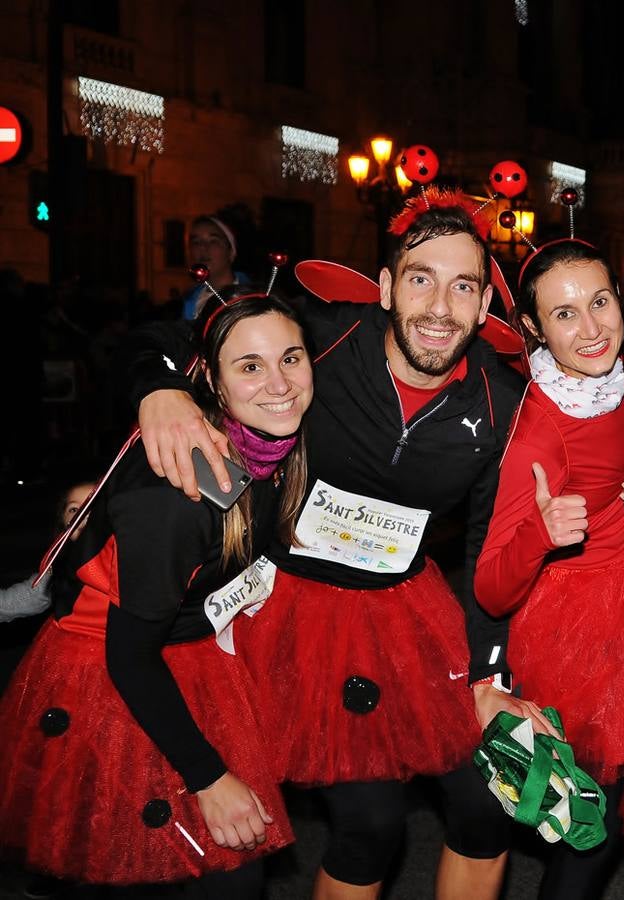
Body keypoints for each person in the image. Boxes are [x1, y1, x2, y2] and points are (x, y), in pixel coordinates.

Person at [127, 193, 523, 900]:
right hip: (293, 612)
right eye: (421, 278)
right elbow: (173, 333)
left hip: (410, 614)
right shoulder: (324, 338)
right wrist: (161, 390)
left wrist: (491, 678)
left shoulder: (501, 401)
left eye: (463, 286)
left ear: (485, 301)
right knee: (370, 823)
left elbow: (489, 555)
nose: (439, 305)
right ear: (385, 285)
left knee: (486, 802)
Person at [0, 291, 311, 896]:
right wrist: (208, 777)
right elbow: (129, 657)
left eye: (291, 359)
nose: (278, 383)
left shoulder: (282, 446)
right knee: (151, 862)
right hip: (111, 670)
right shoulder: (173, 497)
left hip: (194, 646)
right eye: (249, 366)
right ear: (213, 387)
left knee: (226, 872)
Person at [473, 240, 624, 898]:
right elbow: (491, 587)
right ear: (534, 329)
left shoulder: (611, 383)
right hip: (581, 638)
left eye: (599, 302)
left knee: (613, 819)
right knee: (586, 829)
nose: (593, 327)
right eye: (566, 314)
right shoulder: (541, 429)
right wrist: (542, 535)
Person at [0, 480, 94, 625]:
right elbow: (23, 599)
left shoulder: (130, 554)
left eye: (95, 507)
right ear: (64, 522)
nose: (85, 515)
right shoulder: (59, 567)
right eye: (74, 509)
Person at [183, 216, 251, 321]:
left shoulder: (251, 298)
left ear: (231, 252)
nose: (202, 247)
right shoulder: (188, 301)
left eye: (213, 241)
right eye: (196, 242)